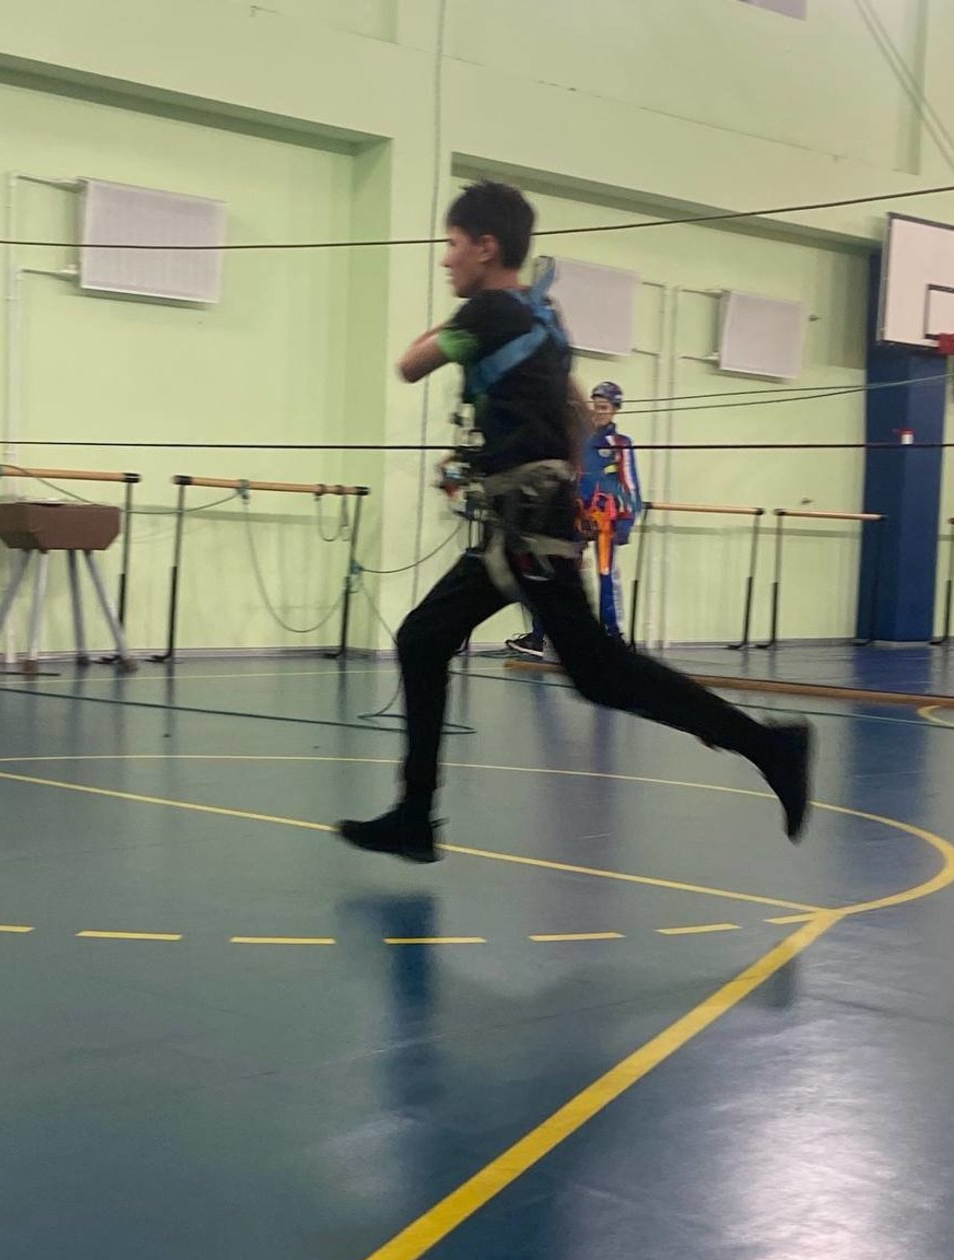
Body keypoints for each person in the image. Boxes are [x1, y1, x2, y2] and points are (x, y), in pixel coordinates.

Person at [338, 181, 812, 863]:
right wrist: (558, 486)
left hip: (528, 529)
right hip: (527, 520)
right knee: (423, 638)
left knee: (599, 672)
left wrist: (461, 326)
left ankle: (769, 745)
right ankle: (414, 816)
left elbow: (410, 364)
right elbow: (577, 416)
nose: (445, 260)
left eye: (452, 245)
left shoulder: (487, 312)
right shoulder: (545, 318)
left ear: (486, 247)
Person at [506, 379, 640, 656]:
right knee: (554, 571)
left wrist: (626, 522)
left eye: (604, 407)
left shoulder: (620, 444)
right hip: (574, 516)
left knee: (606, 575)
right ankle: (539, 636)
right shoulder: (578, 439)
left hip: (605, 520)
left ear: (615, 410)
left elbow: (631, 485)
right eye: (595, 406)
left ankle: (614, 637)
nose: (598, 412)